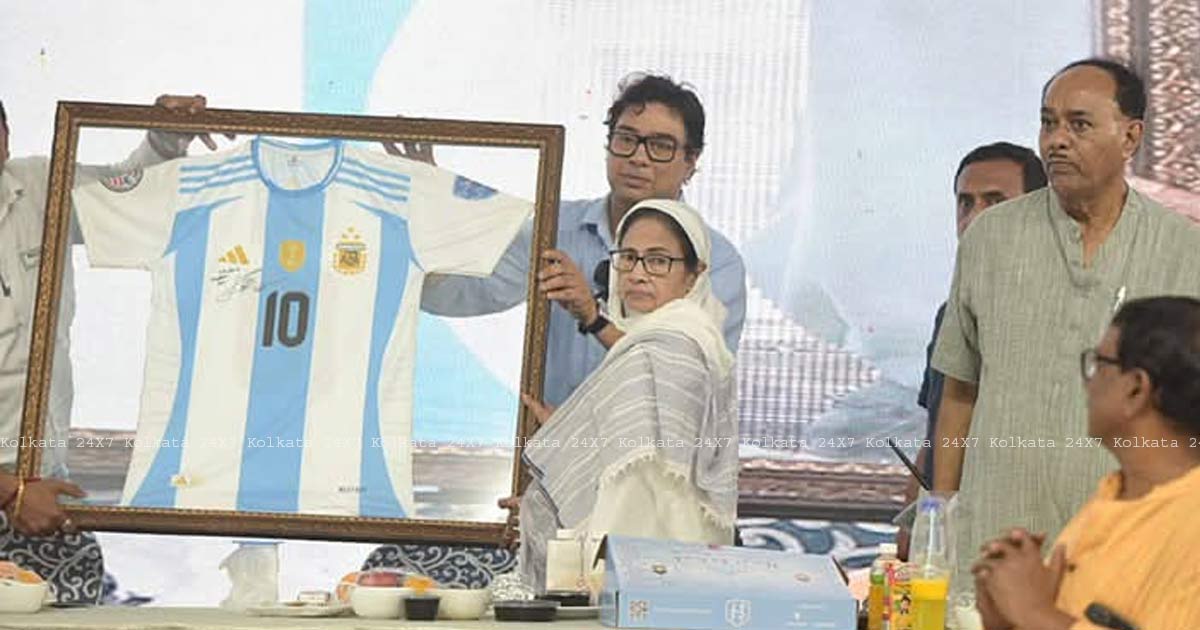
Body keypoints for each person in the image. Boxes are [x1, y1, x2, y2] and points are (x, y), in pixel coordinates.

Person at [931, 58, 1200, 587]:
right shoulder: (991, 238)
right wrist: (938, 515)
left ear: (1130, 136)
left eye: (1078, 124)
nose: (1056, 140)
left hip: (1128, 546)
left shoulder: (1184, 250)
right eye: (1048, 122)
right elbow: (959, 391)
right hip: (994, 538)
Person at [419, 73, 747, 406]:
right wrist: (432, 212)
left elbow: (691, 381)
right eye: (626, 138)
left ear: (691, 162)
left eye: (660, 146)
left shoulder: (717, 261)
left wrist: (593, 315)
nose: (638, 157)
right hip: (554, 450)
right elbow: (462, 292)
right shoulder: (554, 227)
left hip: (657, 456)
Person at [0, 94, 212, 601]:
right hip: (19, 493)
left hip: (40, 484)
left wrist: (165, 136)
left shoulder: (34, 187)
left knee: (84, 609)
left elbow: (127, 197)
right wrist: (11, 492)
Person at [516, 199, 738, 591]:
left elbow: (649, 459)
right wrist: (571, 434)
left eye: (658, 261)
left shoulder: (682, 339)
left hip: (660, 541)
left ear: (694, 274)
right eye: (628, 257)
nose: (637, 273)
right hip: (632, 545)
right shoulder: (647, 339)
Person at [972, 296, 1200, 630]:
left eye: (1098, 364)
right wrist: (1006, 617)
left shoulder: (1190, 526)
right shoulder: (1113, 496)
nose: (1088, 383)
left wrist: (1033, 612)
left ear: (1136, 389)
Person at [898, 143, 1046, 560]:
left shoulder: (1057, 311)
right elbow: (936, 428)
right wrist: (916, 520)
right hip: (945, 529)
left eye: (995, 201)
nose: (974, 216)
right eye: (965, 203)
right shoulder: (951, 311)